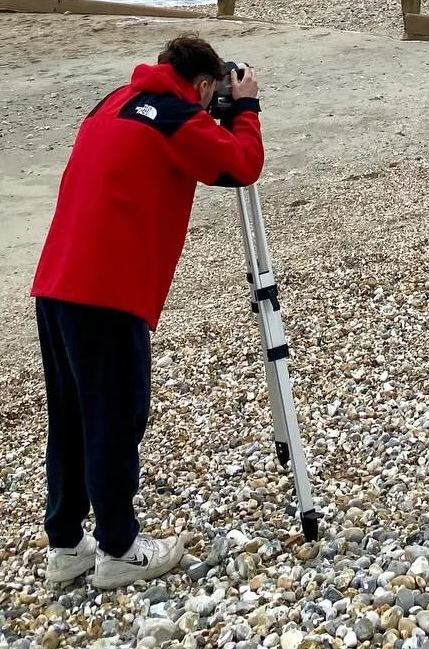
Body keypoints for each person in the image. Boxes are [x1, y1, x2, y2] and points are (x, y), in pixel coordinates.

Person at [31, 35, 264, 590]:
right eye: (214, 95)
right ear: (205, 85)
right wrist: (247, 109)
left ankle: (66, 543)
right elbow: (241, 164)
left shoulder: (111, 101)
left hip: (56, 279)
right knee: (116, 415)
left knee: (69, 415)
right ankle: (118, 548)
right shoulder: (179, 117)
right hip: (108, 291)